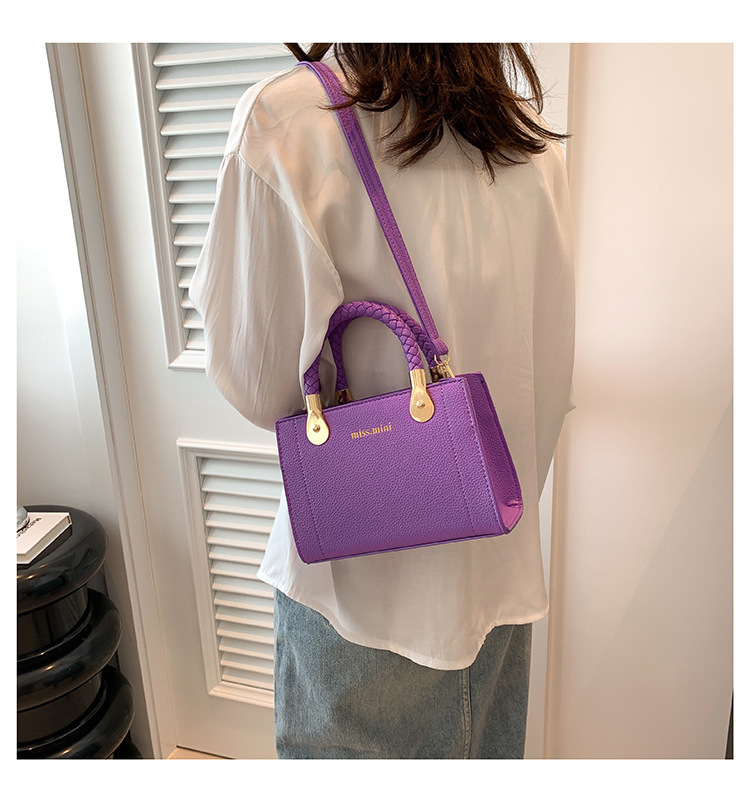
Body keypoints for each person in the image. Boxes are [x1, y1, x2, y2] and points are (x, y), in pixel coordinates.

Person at [189, 43, 575, 759]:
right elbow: (550, 371)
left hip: (356, 587)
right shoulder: (528, 137)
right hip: (497, 572)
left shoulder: (287, 123)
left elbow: (257, 378)